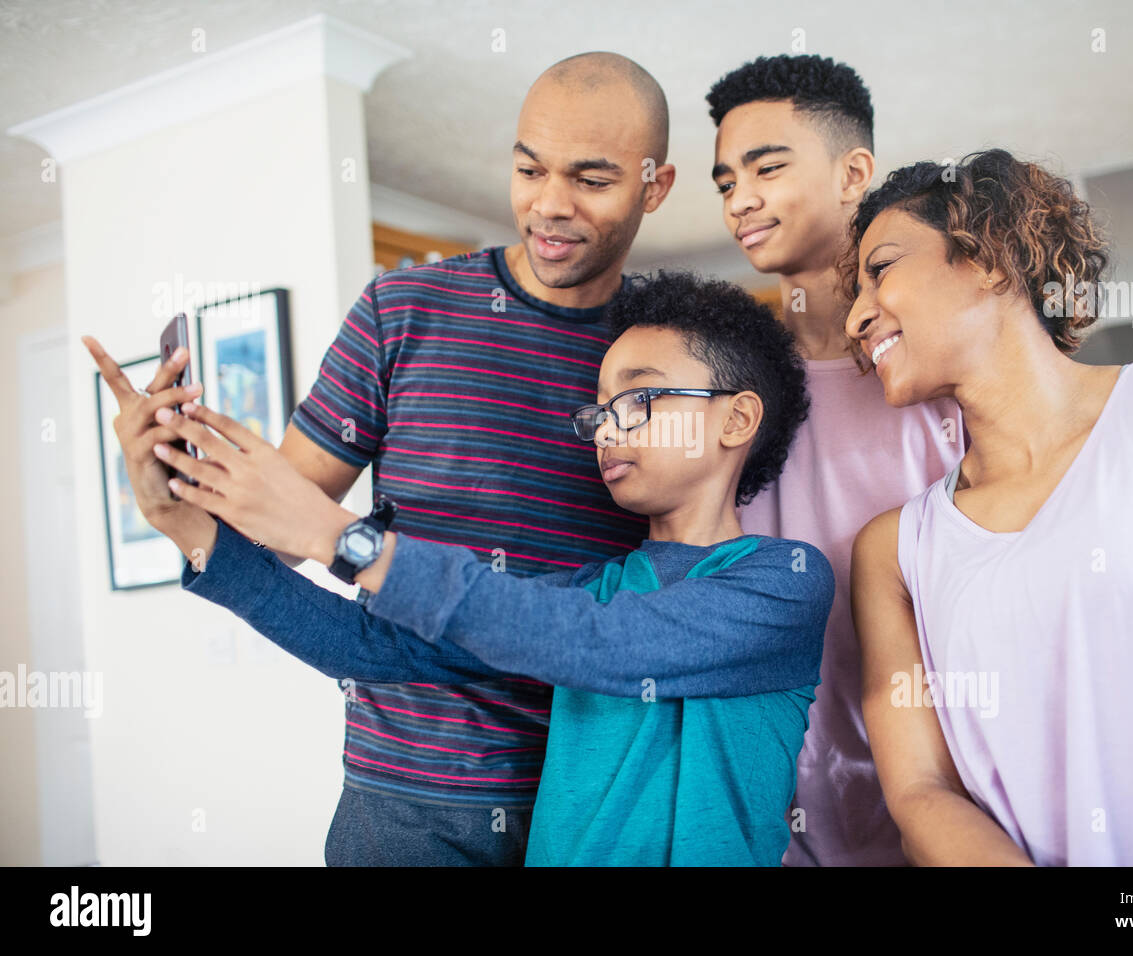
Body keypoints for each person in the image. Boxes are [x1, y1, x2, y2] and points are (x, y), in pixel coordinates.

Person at [91, 51, 677, 866]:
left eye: (592, 179)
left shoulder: (671, 352)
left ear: (657, 187)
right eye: (528, 168)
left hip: (600, 791)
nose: (550, 205)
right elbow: (281, 529)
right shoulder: (403, 312)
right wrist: (170, 496)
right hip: (405, 804)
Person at [88, 271, 834, 866]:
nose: (607, 428)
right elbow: (372, 647)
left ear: (736, 420)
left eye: (637, 399)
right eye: (598, 411)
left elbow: (600, 642)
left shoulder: (785, 581)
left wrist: (337, 533)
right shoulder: (592, 586)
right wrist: (185, 528)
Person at [847, 148, 1133, 865]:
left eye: (881, 271)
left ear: (987, 255)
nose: (855, 318)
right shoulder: (894, 552)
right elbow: (921, 791)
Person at [707, 54, 964, 865]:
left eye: (766, 168)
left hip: (952, 796)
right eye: (723, 182)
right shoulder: (724, 384)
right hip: (775, 807)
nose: (738, 199)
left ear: (854, 172)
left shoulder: (939, 371)